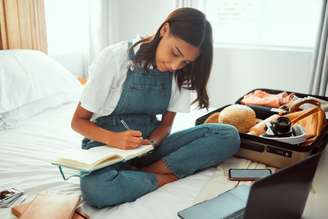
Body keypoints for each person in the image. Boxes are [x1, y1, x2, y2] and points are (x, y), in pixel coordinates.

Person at [71, 7, 240, 208]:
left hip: (148, 146)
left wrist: (151, 142)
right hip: (106, 144)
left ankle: (143, 173)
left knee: (227, 136)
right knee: (96, 190)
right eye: (175, 52)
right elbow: (78, 122)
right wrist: (114, 139)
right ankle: (162, 178)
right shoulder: (115, 58)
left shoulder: (179, 74)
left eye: (185, 61)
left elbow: (166, 125)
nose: (176, 65)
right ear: (164, 30)